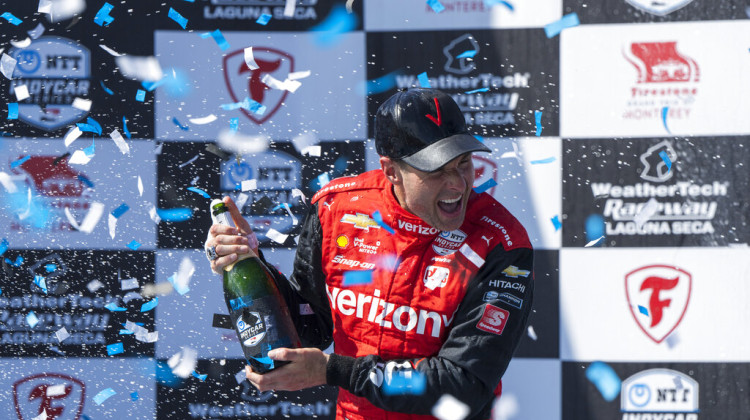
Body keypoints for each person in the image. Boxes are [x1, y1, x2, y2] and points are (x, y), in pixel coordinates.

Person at [205, 88, 534, 420]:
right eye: (436, 172)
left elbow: (463, 385)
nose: (458, 184)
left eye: (464, 164)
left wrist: (334, 371)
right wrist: (248, 260)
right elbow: (310, 328)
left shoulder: (501, 242)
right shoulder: (335, 210)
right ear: (391, 170)